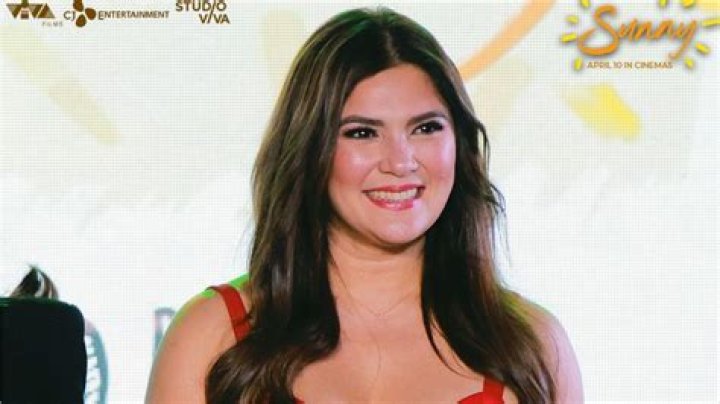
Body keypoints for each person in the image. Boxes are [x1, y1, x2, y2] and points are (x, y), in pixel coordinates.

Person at [146, 7, 583, 403]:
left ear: (460, 143)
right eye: (362, 133)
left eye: (426, 128)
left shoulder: (533, 346)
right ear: (309, 150)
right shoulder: (212, 335)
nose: (400, 162)